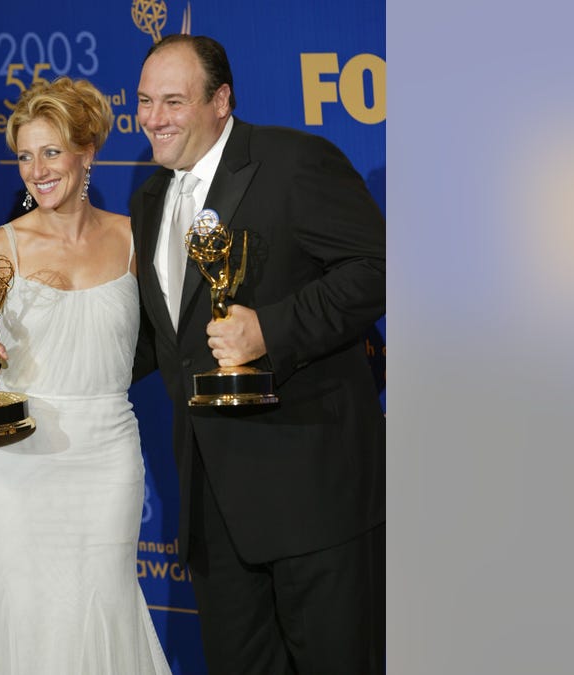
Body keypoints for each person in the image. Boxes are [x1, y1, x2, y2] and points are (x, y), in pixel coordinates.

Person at [131, 34, 386, 673]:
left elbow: (378, 267)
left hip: (311, 499)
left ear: (221, 101)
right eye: (143, 101)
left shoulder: (294, 162)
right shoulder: (150, 196)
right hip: (214, 511)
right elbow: (162, 337)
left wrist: (271, 330)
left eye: (172, 101)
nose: (153, 119)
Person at [0, 77, 171, 675]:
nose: (36, 170)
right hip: (20, 458)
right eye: (24, 155)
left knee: (104, 601)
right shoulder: (3, 245)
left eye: (50, 152)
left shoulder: (131, 238)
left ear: (86, 150)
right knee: (30, 606)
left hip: (106, 452)